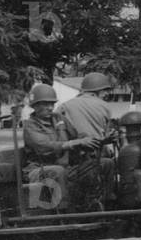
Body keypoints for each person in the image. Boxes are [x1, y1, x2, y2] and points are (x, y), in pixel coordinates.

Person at [23, 83, 96, 211]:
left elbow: (77, 135)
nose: (50, 108)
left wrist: (94, 140)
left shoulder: (59, 118)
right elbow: (43, 147)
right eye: (46, 104)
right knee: (58, 171)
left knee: (103, 163)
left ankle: (100, 206)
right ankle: (64, 212)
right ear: (35, 106)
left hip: (65, 166)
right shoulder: (30, 125)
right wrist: (71, 144)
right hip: (38, 169)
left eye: (52, 104)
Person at [55, 72, 117, 204]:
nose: (106, 94)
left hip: (69, 161)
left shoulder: (63, 106)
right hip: (92, 160)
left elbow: (59, 134)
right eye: (105, 91)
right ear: (95, 91)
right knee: (110, 163)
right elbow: (105, 135)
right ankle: (109, 200)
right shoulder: (104, 107)